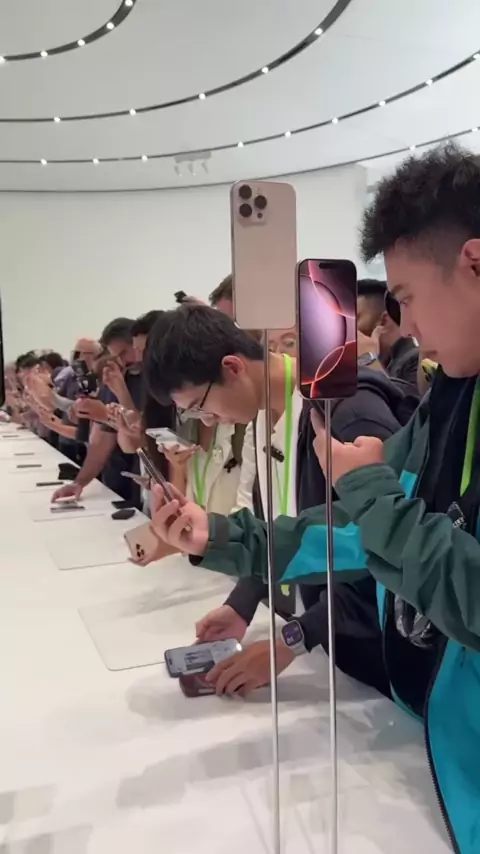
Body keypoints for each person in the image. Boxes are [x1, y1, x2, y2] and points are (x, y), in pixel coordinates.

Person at [150, 144, 480, 854]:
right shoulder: (450, 395)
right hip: (431, 735)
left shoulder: (362, 406)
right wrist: (222, 538)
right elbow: (353, 533)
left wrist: (368, 491)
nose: (403, 325)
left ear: (475, 264)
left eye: (408, 297)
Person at [144, 305, 412, 695]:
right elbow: (284, 527)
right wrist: (243, 602)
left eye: (200, 406)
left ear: (233, 368)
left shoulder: (347, 410)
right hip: (327, 653)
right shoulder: (261, 414)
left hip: (377, 665)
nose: (207, 420)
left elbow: (389, 552)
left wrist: (293, 640)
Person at [51, 317, 142, 505]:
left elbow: (143, 433)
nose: (122, 361)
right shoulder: (116, 377)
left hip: (143, 478)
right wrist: (79, 482)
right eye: (116, 356)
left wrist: (107, 413)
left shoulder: (154, 379)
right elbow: (103, 439)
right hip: (118, 477)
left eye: (124, 352)